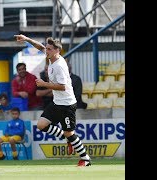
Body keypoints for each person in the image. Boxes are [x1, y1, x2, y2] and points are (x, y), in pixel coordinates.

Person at [14, 34, 91, 166]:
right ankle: (67, 138)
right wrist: (26, 39)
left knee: (70, 134)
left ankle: (86, 159)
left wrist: (44, 84)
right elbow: (39, 46)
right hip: (56, 103)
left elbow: (63, 86)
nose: (46, 51)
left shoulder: (60, 66)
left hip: (67, 105)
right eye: (47, 48)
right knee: (41, 125)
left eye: (49, 49)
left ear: (57, 50)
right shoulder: (52, 58)